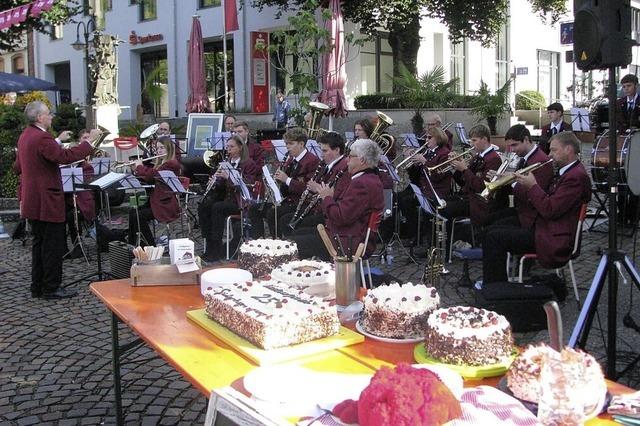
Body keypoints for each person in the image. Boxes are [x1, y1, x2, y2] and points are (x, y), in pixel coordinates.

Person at [482, 131, 591, 284]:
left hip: (553, 237)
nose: (550, 155)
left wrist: (532, 186)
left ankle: (495, 287)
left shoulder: (576, 177)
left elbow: (550, 209)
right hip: (545, 226)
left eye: (554, 150)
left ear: (568, 149)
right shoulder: (568, 172)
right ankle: (497, 286)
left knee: (494, 238)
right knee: (492, 231)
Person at [16, 101, 93, 299]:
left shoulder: (25, 135)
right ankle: (51, 287)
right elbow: (63, 156)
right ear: (40, 117)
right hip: (46, 199)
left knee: (39, 243)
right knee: (52, 245)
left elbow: (21, 165)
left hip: (33, 199)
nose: (51, 117)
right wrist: (87, 144)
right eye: (49, 114)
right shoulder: (41, 136)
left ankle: (38, 285)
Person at [293, 139, 384, 260]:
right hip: (348, 236)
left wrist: (327, 197)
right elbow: (347, 210)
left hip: (347, 242)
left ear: (362, 160)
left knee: (292, 245)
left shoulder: (362, 183)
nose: (347, 160)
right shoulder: (369, 178)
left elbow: (340, 218)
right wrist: (332, 196)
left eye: (350, 156)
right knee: (298, 234)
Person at [439, 124, 501, 254]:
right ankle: (446, 243)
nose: (472, 144)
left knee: (445, 208)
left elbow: (480, 186)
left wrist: (465, 169)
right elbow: (464, 183)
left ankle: (449, 246)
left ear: (484, 139)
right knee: (439, 201)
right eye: (471, 141)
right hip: (469, 196)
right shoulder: (478, 156)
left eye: (474, 140)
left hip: (479, 202)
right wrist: (455, 168)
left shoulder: (493, 158)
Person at [249, 127, 320, 238]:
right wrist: (276, 183)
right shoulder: (291, 160)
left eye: (291, 144)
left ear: (301, 144)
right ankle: (259, 241)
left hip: (300, 203)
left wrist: (286, 179)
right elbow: (285, 187)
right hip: (288, 200)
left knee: (273, 213)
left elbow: (307, 189)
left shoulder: (311, 161)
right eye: (286, 143)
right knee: (254, 209)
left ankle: (277, 244)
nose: (287, 147)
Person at [198, 135, 260, 262]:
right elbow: (221, 186)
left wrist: (229, 178)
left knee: (217, 208)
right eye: (227, 147)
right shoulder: (227, 164)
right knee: (204, 206)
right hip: (228, 199)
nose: (228, 150)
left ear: (240, 148)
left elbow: (247, 186)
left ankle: (216, 248)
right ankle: (209, 244)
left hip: (241, 201)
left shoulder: (248, 164)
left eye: (231, 147)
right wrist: (215, 180)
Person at [280, 131, 350, 235]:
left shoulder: (342, 169)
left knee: (293, 228)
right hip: (319, 209)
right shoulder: (327, 166)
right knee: (285, 220)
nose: (321, 155)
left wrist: (317, 188)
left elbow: (339, 196)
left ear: (337, 150)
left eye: (325, 151)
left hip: (327, 215)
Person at [487, 124, 553, 228]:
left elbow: (533, 197)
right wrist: (501, 180)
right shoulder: (526, 157)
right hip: (521, 211)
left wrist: (512, 181)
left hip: (530, 218)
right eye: (510, 146)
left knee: (492, 230)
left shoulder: (540, 160)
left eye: (514, 145)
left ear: (526, 139)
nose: (512, 150)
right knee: (488, 218)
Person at [397, 126, 452, 245]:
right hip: (424, 189)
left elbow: (437, 176)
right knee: (401, 198)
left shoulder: (444, 154)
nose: (426, 140)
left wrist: (424, 162)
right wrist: (411, 163)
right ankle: (415, 233)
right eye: (426, 137)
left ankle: (426, 241)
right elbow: (416, 177)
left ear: (438, 138)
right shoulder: (428, 152)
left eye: (429, 137)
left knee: (412, 203)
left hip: (437, 191)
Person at [127, 136, 182, 246]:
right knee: (133, 212)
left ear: (169, 149)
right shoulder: (160, 164)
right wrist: (136, 170)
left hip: (166, 204)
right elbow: (149, 178)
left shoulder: (171, 163)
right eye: (158, 148)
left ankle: (150, 246)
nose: (159, 151)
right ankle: (132, 245)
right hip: (157, 201)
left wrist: (139, 166)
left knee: (139, 216)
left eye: (162, 148)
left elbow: (151, 175)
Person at [64, 129, 101, 259]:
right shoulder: (65, 168)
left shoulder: (86, 166)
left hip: (83, 203)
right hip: (70, 201)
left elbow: (86, 184)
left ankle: (77, 247)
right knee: (60, 213)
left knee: (70, 216)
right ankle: (63, 248)